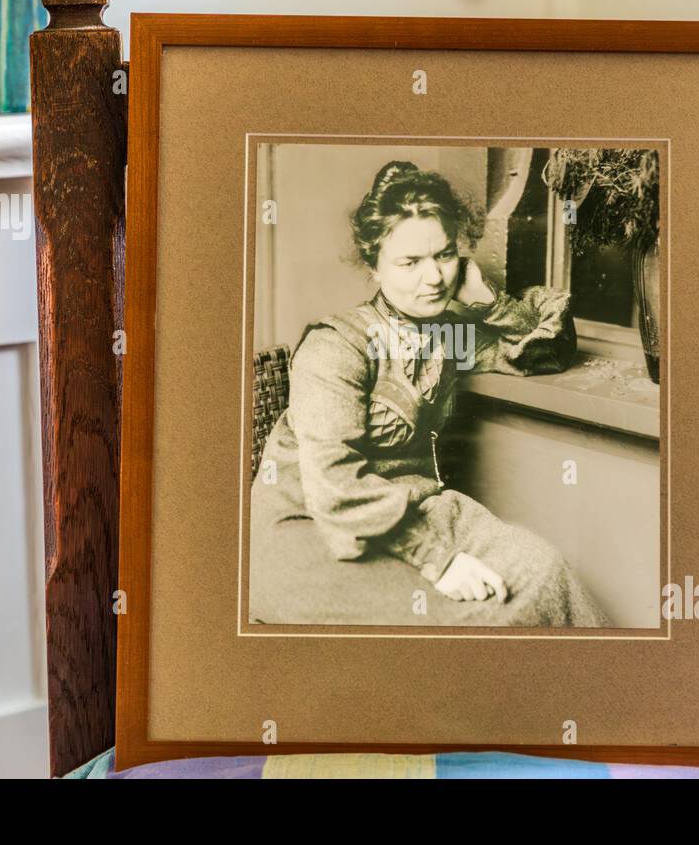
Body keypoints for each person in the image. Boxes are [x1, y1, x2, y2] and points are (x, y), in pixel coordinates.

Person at [248, 160, 610, 628]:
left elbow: (548, 354)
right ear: (374, 266)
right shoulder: (334, 346)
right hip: (312, 531)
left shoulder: (449, 336)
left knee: (543, 569)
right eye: (410, 262)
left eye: (443, 255)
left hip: (414, 509)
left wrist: (487, 302)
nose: (434, 277)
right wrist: (439, 559)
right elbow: (334, 485)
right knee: (479, 615)